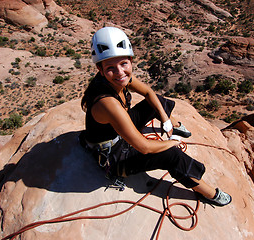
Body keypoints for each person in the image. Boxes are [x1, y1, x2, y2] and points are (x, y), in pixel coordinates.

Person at [80, 27, 231, 207]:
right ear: (100, 69)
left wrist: (167, 122)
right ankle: (209, 193)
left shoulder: (119, 78)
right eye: (111, 68)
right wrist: (171, 143)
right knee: (171, 156)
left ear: (130, 60)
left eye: (123, 64)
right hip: (115, 156)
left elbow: (149, 93)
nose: (120, 72)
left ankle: (176, 126)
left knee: (157, 101)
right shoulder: (107, 103)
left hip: (117, 130)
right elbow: (144, 147)